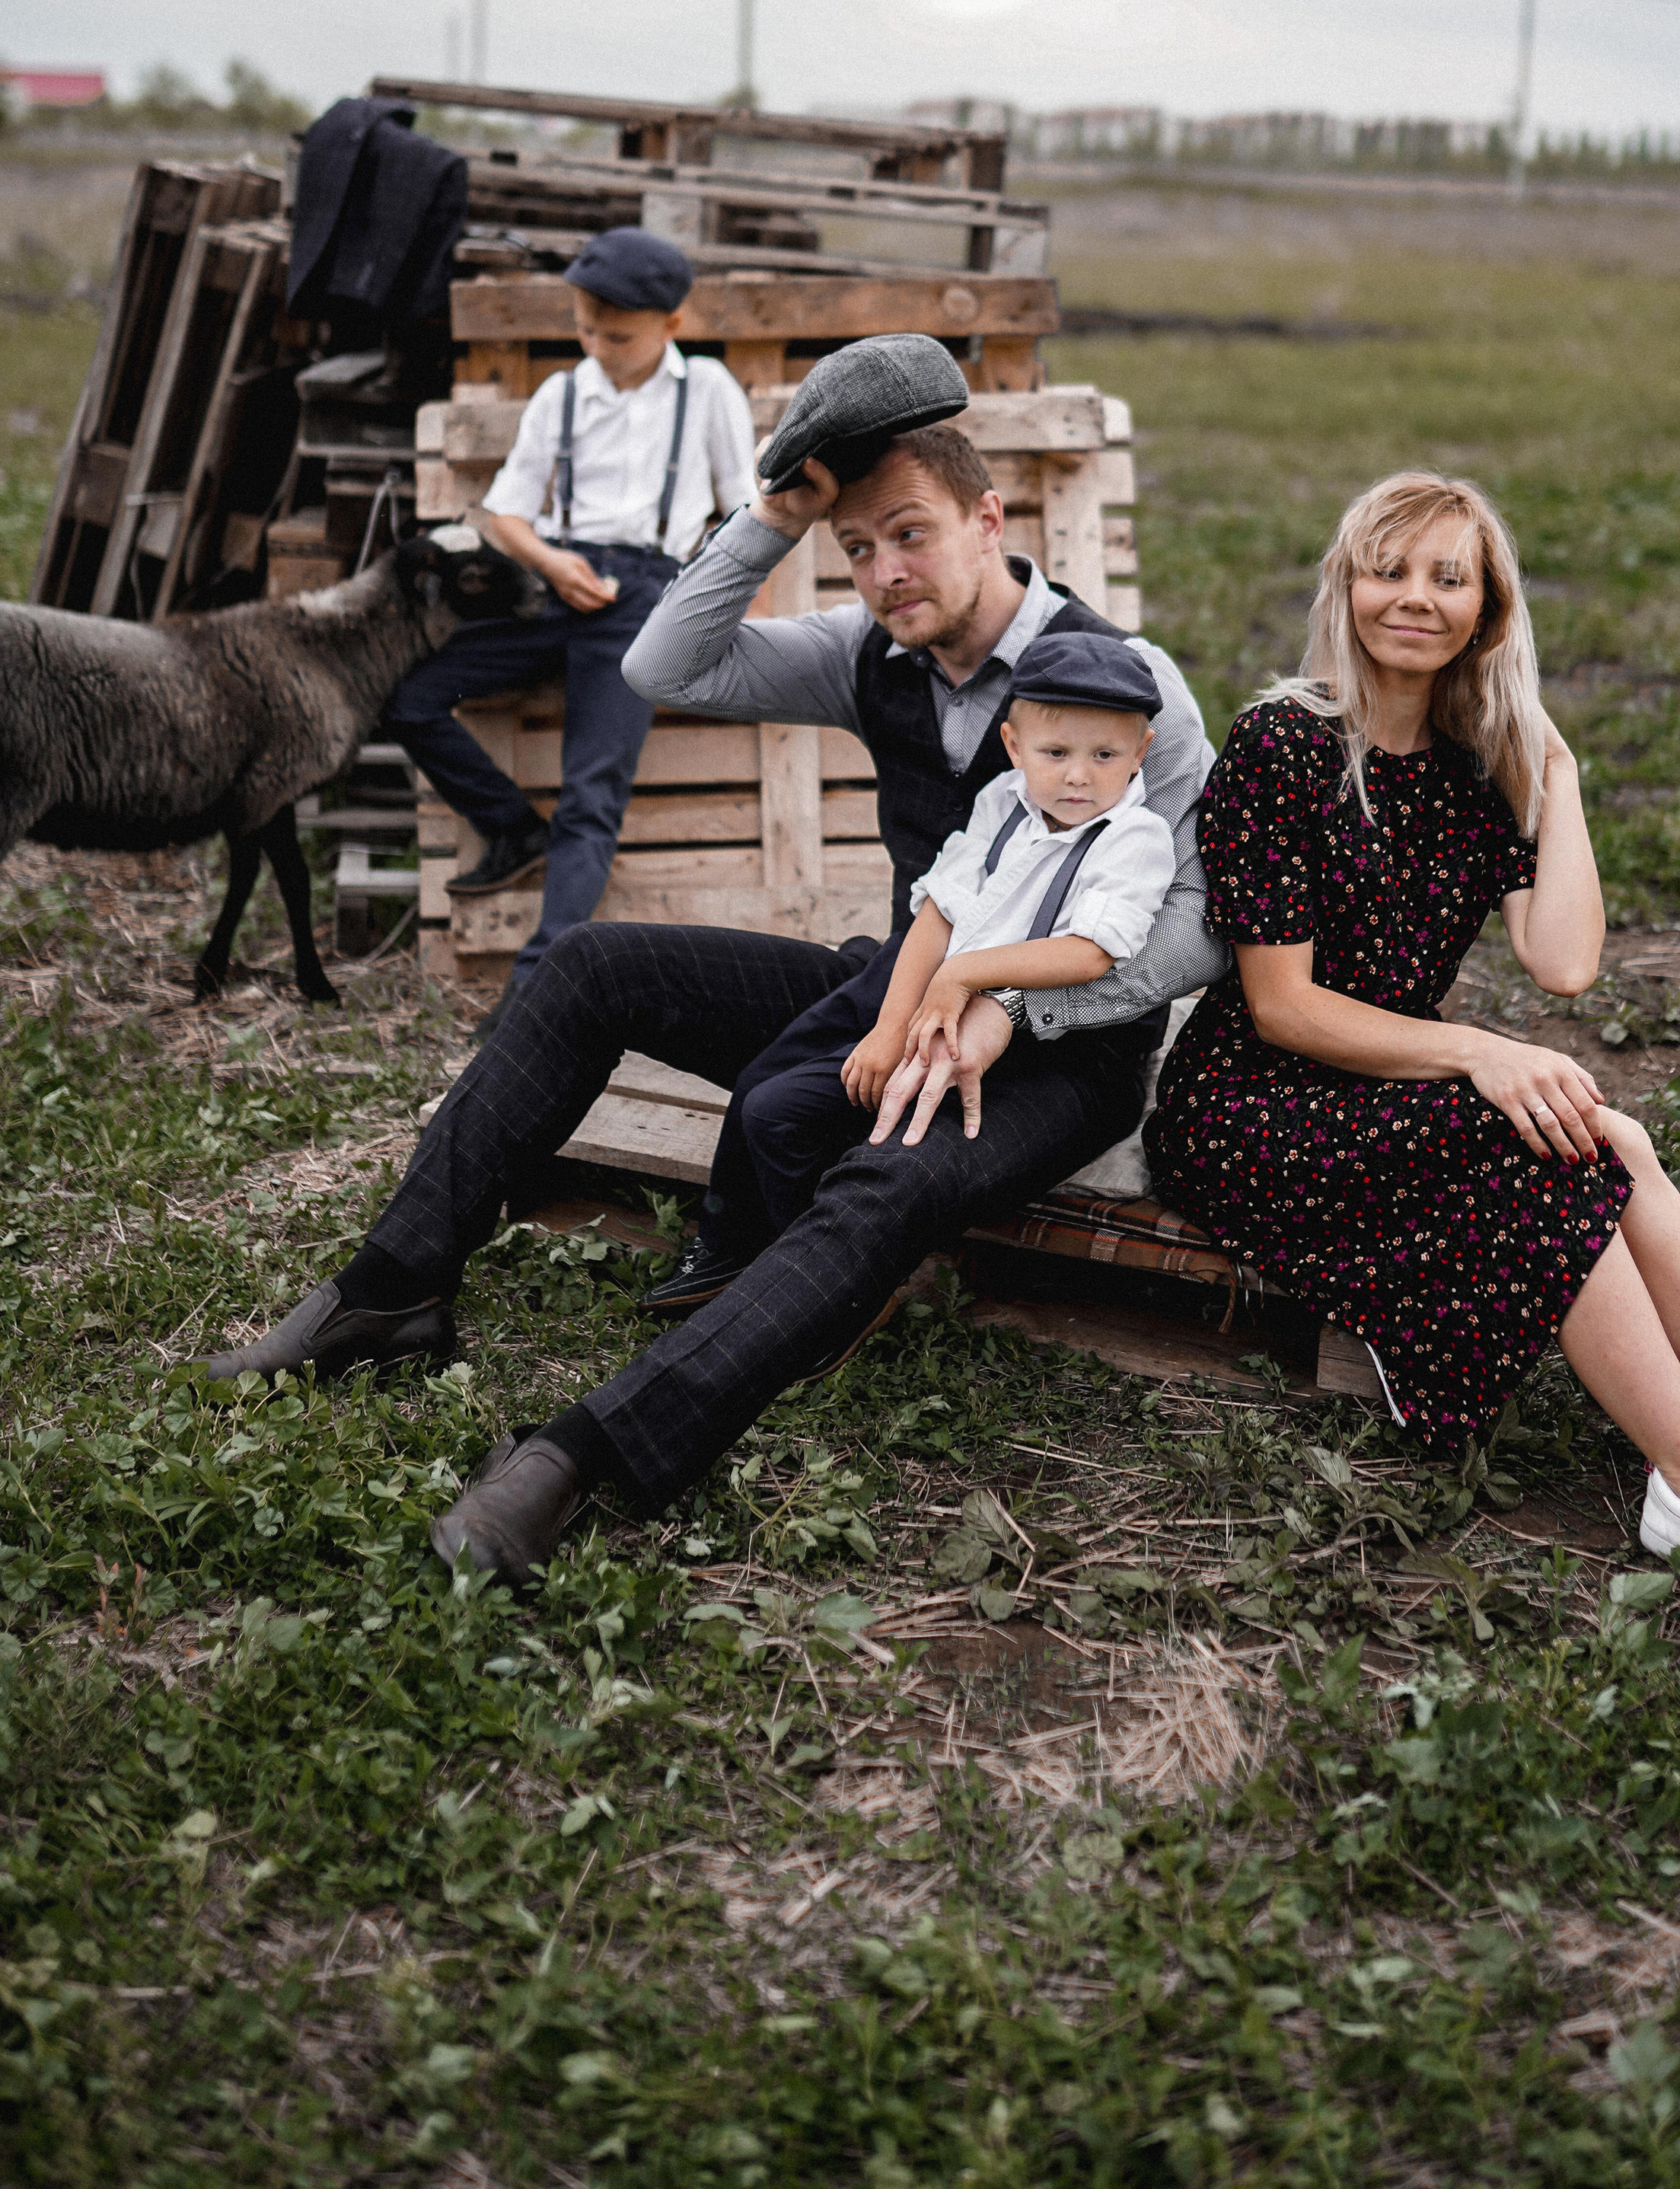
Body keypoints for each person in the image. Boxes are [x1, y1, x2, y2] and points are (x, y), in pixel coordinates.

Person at [197, 337, 1223, 1585]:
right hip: (893, 993)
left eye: (910, 534)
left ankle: (581, 1458)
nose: (886, 572)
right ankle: (389, 1291)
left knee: (882, 1184)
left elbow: (1202, 918)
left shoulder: (1128, 682)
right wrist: (773, 514)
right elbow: (659, 663)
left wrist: (1006, 1000)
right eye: (857, 546)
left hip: (1069, 1053)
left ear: (990, 519)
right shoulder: (867, 653)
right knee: (591, 968)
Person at [1144, 469, 1680, 1626]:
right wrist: (1476, 1052)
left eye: (1448, 577)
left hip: (1388, 1091)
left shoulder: (1481, 766)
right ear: (1347, 586)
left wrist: (1554, 768)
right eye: (1388, 570)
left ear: (1489, 609)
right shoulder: (1283, 744)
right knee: (1541, 1136)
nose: (1412, 598)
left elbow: (1565, 962)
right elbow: (1284, 1008)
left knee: (1599, 1135)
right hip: (1252, 1109)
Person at [382, 228, 754, 1004]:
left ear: (670, 327)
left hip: (646, 597)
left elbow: (744, 509)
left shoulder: (707, 391)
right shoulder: (562, 394)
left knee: (592, 795)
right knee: (409, 697)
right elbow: (507, 514)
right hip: (554, 581)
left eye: (616, 336)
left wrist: (692, 597)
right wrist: (550, 562)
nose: (598, 347)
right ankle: (512, 827)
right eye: (585, 330)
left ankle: (531, 992)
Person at [739, 626, 1178, 1234]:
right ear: (1014, 745)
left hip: (1029, 1040)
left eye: (1104, 756)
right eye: (1057, 754)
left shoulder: (1136, 837)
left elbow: (1089, 953)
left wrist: (964, 974)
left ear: (1141, 753)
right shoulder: (1002, 802)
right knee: (771, 1108)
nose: (1079, 776)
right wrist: (890, 1030)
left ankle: (854, 1250)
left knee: (894, 1152)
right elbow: (939, 911)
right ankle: (787, 1248)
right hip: (935, 1006)